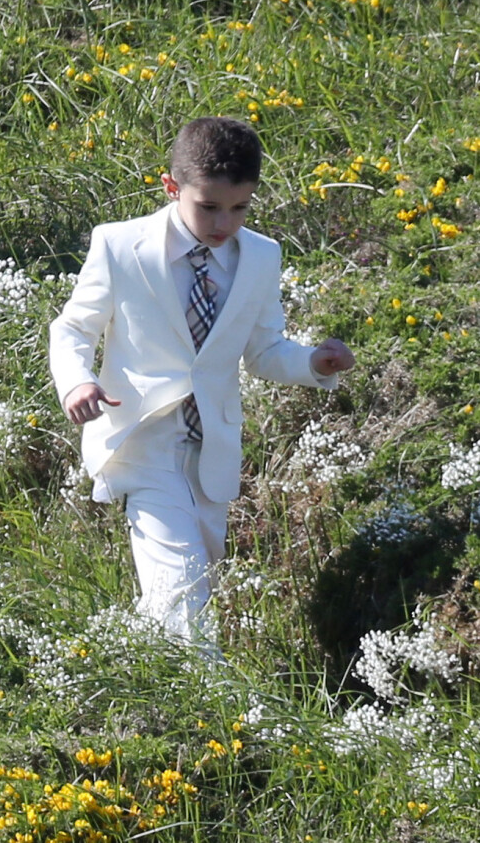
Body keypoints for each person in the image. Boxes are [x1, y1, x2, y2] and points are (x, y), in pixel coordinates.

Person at [50, 116, 355, 653]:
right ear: (172, 188)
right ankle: (217, 708)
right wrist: (78, 382)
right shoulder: (120, 246)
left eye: (239, 208)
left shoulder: (260, 257)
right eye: (209, 207)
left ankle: (142, 671)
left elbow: (264, 351)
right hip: (141, 442)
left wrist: (312, 363)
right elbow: (73, 328)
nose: (224, 222)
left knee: (191, 581)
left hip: (211, 448)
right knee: (182, 587)